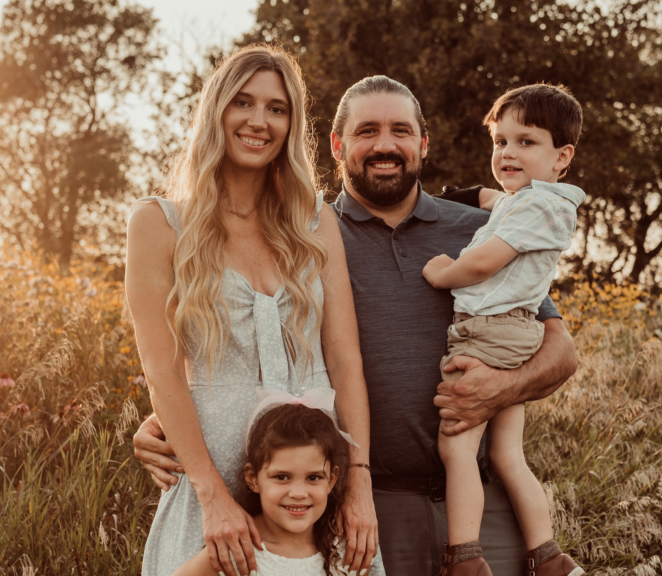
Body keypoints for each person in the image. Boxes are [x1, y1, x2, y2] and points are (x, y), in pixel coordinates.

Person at [134, 75, 580, 576]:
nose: (385, 145)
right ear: (336, 144)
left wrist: (501, 388)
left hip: (479, 506)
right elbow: (253, 342)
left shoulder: (482, 229)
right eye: (367, 131)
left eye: (401, 131)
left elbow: (560, 349)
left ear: (423, 143)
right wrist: (169, 419)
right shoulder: (301, 234)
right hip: (364, 507)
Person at [125, 45, 377, 576]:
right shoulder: (158, 224)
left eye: (277, 108)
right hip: (210, 470)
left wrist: (358, 481)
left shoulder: (315, 221)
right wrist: (211, 492)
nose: (259, 121)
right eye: (243, 102)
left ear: (291, 122)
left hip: (309, 483)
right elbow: (161, 369)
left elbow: (344, 355)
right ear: (216, 110)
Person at [422, 84, 586, 576]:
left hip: (487, 333)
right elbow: (498, 199)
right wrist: (470, 194)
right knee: (508, 453)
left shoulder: (536, 208)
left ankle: (465, 556)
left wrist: (442, 272)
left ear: (563, 156)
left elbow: (483, 263)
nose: (508, 152)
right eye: (500, 141)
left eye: (525, 142)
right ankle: (548, 553)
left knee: (457, 446)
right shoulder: (537, 200)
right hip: (515, 334)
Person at [172, 388, 385, 576]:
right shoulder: (236, 550)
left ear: (331, 480)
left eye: (313, 478)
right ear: (252, 478)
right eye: (282, 477)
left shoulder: (345, 554)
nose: (299, 493)